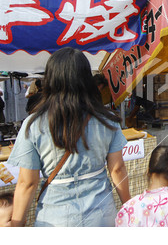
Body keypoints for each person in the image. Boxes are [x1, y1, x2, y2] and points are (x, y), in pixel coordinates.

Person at [8, 47, 130, 227]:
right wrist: (129, 206)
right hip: (101, 216)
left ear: (51, 79)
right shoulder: (108, 121)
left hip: (54, 219)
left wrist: (16, 225)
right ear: (86, 79)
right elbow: (117, 169)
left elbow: (27, 183)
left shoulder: (32, 125)